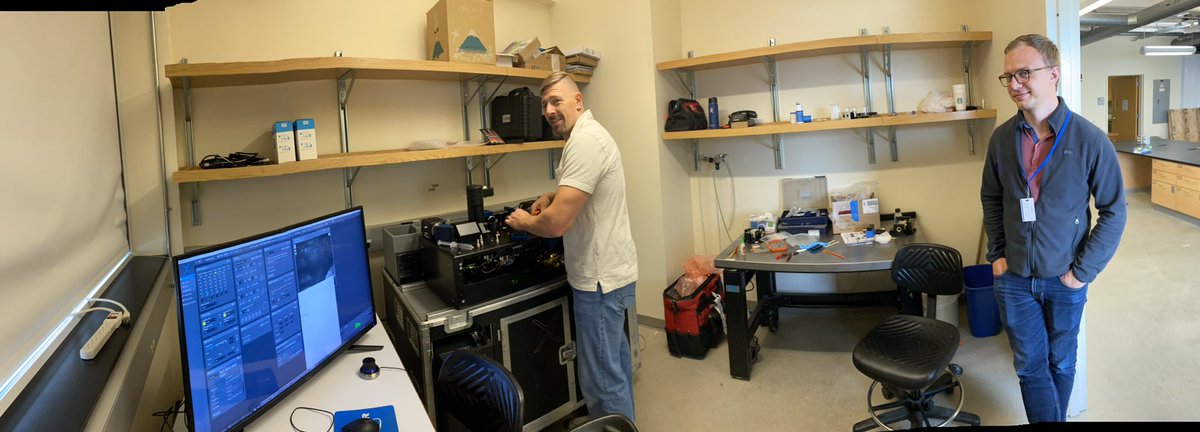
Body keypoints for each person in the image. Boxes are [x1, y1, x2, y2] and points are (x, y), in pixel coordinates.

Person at [981, 34, 1126, 423]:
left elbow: (1114, 210)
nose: (1014, 84)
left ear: (1054, 74)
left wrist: (1082, 273)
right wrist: (996, 254)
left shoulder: (1089, 139)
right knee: (1030, 367)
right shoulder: (1001, 140)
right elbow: (992, 199)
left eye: (1024, 73)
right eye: (1008, 76)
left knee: (1061, 363)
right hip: (1013, 277)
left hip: (1065, 277)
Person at [505, 72, 639, 422]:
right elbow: (581, 193)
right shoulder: (588, 135)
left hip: (598, 280)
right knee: (615, 364)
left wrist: (524, 223)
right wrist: (553, 194)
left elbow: (558, 223)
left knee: (601, 380)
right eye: (544, 104)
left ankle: (610, 426)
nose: (549, 110)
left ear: (578, 101)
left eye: (557, 101)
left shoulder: (584, 143)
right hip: (613, 272)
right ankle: (624, 426)